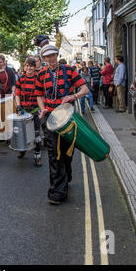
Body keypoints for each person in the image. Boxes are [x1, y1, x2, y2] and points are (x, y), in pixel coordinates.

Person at [35, 45, 88, 205]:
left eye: (53, 55)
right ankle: (57, 192)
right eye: (47, 57)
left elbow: (85, 88)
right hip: (50, 118)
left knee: (66, 153)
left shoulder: (69, 70)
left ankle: (66, 175)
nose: (50, 59)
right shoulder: (41, 75)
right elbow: (39, 95)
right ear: (44, 59)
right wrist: (43, 109)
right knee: (54, 154)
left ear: (57, 55)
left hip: (67, 118)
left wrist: (73, 95)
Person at [15, 56, 43, 166]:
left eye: (31, 66)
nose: (29, 68)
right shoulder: (21, 79)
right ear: (24, 67)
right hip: (23, 111)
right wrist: (18, 106)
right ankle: (22, 149)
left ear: (34, 67)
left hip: (35, 110)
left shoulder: (39, 79)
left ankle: (37, 156)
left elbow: (41, 95)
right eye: (27, 66)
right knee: (23, 133)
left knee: (36, 134)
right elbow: (17, 95)